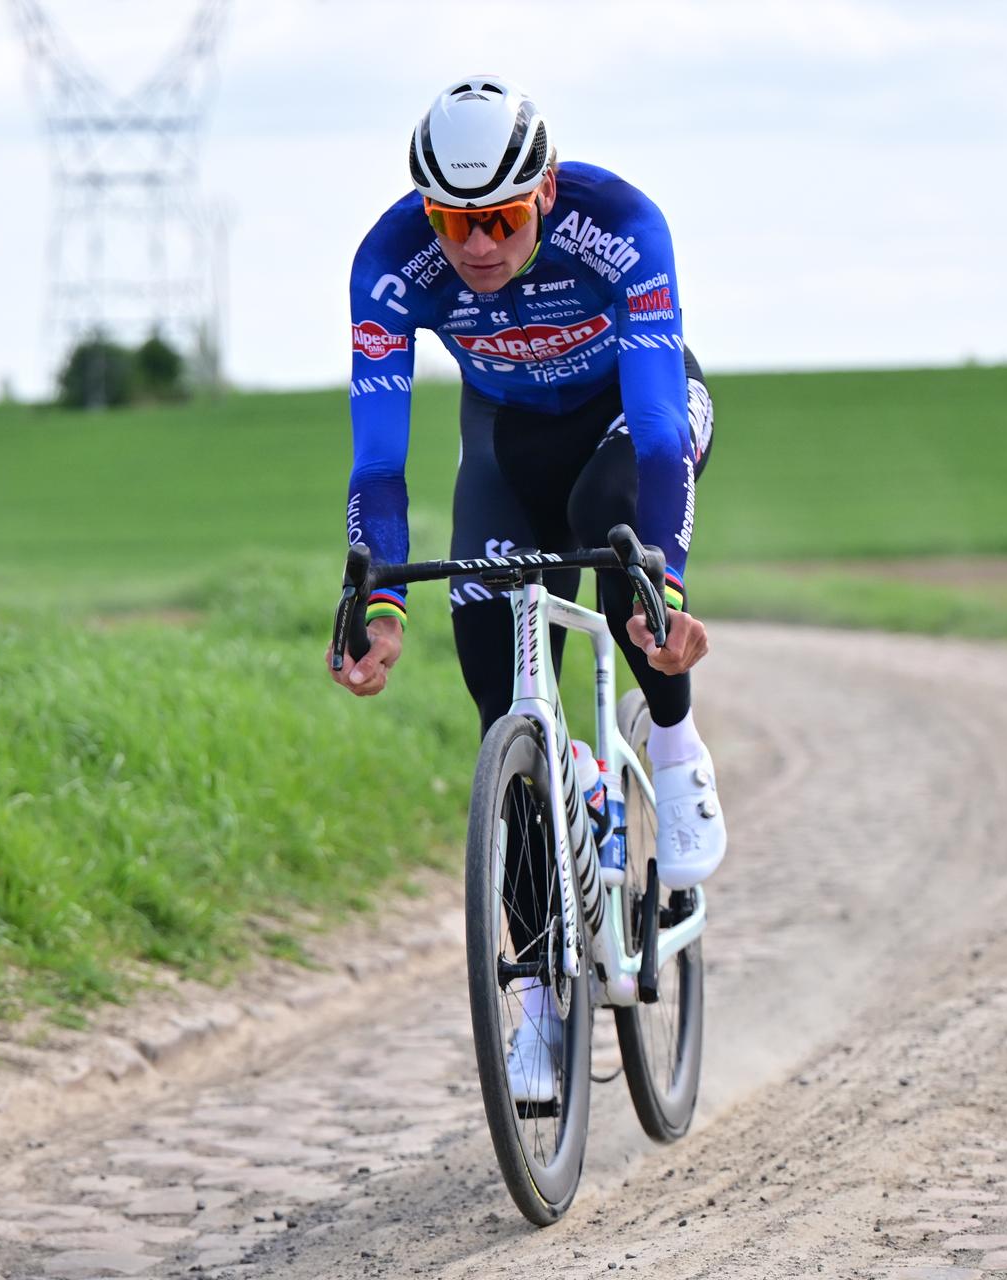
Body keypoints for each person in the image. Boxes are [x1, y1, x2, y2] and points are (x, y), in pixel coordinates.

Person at [326, 76, 724, 1100]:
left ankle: (674, 749)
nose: (476, 247)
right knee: (497, 693)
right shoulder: (389, 265)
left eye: (501, 218)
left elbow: (661, 428)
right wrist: (376, 602)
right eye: (452, 222)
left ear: (543, 191)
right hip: (506, 447)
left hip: (634, 422)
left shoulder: (621, 225)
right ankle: (542, 999)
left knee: (613, 530)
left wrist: (665, 583)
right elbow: (378, 466)